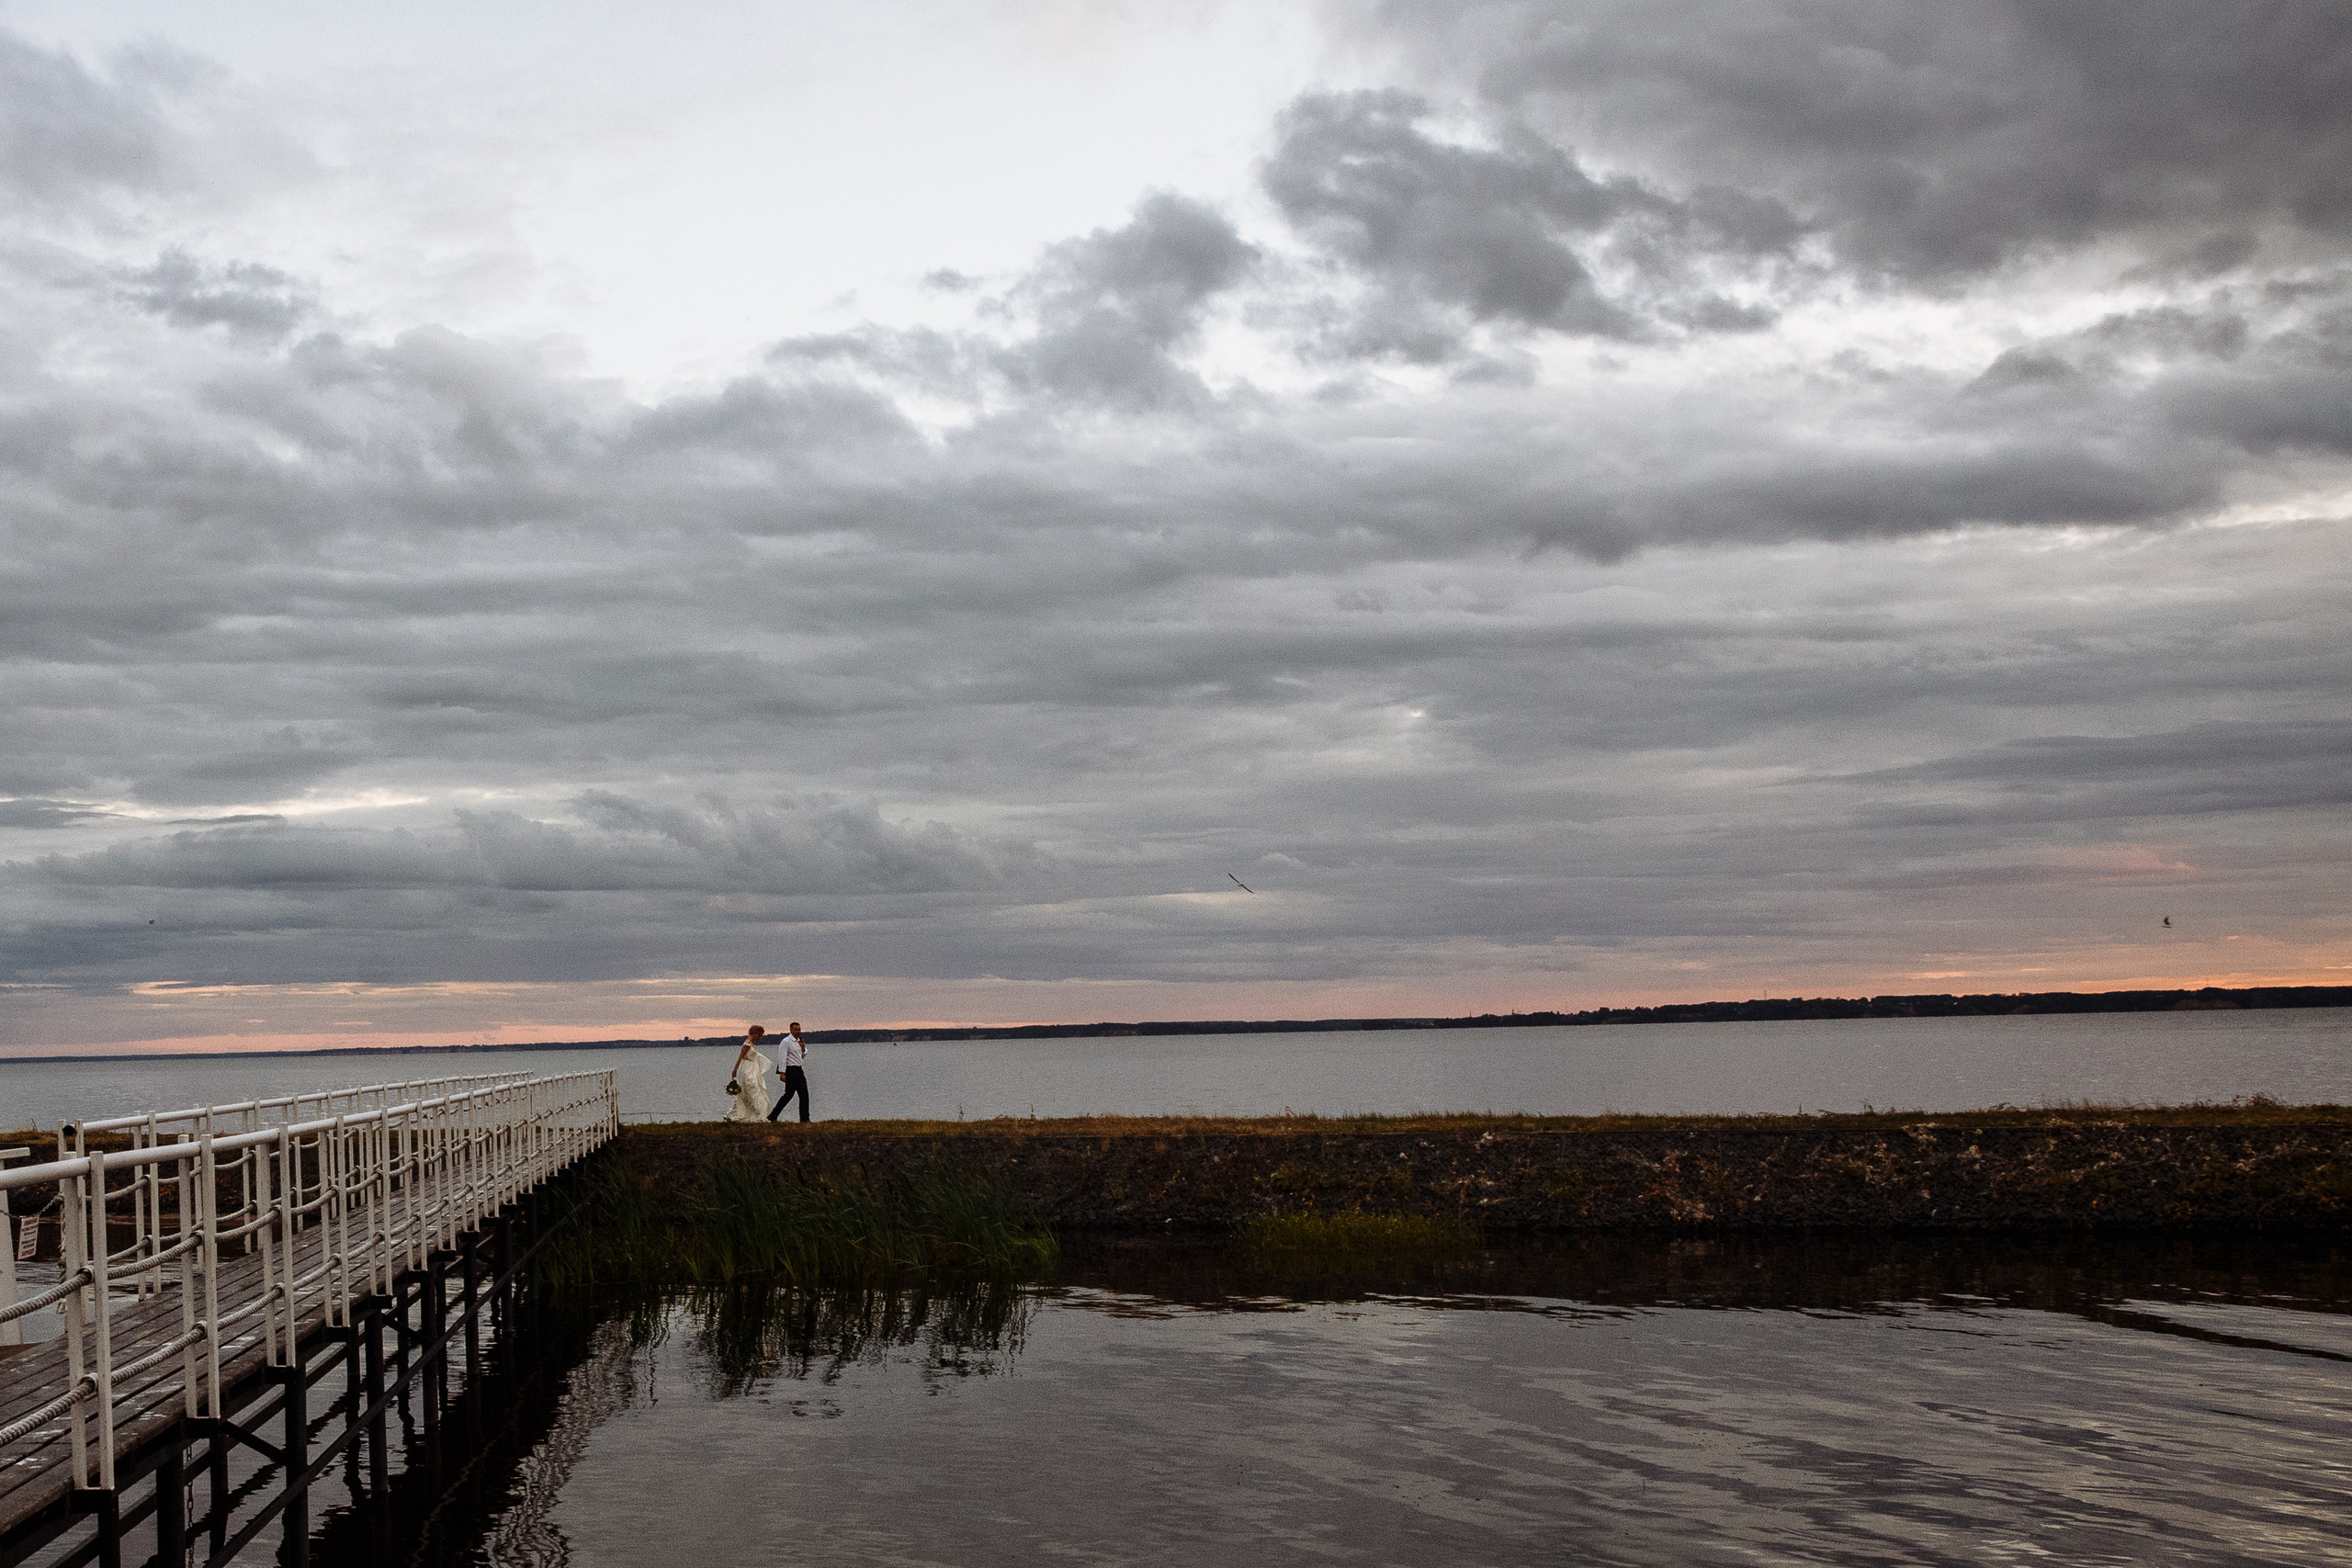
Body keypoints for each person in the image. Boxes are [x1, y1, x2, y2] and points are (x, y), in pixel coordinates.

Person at [723, 1025, 774, 1122]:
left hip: (752, 1070)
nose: (760, 1038)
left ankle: (758, 1115)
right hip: (748, 1071)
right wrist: (734, 1070)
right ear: (753, 1034)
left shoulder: (751, 1044)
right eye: (759, 1035)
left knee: (752, 1093)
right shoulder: (747, 1044)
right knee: (753, 1092)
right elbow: (740, 1058)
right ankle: (759, 1116)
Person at [767, 1020, 810, 1122]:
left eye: (799, 1029)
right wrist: (782, 1073)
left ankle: (805, 1119)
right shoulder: (786, 1041)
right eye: (795, 1029)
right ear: (791, 1030)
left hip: (799, 1069)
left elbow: (801, 1056)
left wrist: (803, 1047)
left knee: (804, 1095)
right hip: (790, 1070)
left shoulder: (799, 1042)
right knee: (788, 1095)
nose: (798, 1031)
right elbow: (782, 1057)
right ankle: (773, 1116)